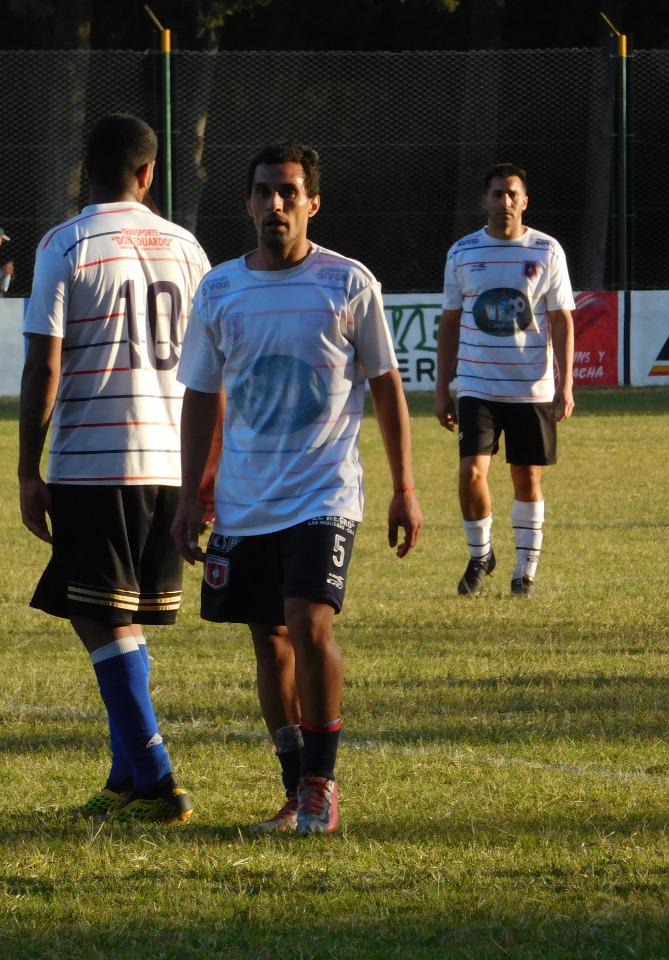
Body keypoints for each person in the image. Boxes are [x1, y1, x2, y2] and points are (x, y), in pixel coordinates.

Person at [173, 143, 423, 835]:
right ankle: (293, 788)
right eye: (264, 191)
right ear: (248, 202)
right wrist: (193, 490)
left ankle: (321, 786)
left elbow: (387, 387)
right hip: (247, 500)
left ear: (313, 202)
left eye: (289, 192)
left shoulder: (347, 283)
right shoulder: (220, 289)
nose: (275, 204)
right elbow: (201, 396)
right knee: (270, 644)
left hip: (324, 494)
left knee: (311, 628)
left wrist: (405, 487)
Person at [18, 114, 212, 823]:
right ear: (149, 173)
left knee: (98, 617)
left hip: (95, 461)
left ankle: (157, 778)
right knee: (113, 613)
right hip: (169, 458)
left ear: (84, 170)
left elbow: (44, 362)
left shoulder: (65, 243)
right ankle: (124, 777)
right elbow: (210, 366)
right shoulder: (190, 249)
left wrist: (25, 469)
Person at [434, 163, 575, 598]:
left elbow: (561, 319)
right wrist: (443, 388)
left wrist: (566, 383)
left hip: (531, 386)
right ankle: (481, 556)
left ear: (525, 201)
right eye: (497, 194)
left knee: (526, 478)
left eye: (513, 194)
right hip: (478, 385)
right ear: (485, 201)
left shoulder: (547, 251)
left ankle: (524, 572)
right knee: (471, 474)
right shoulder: (463, 252)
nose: (505, 202)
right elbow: (451, 323)